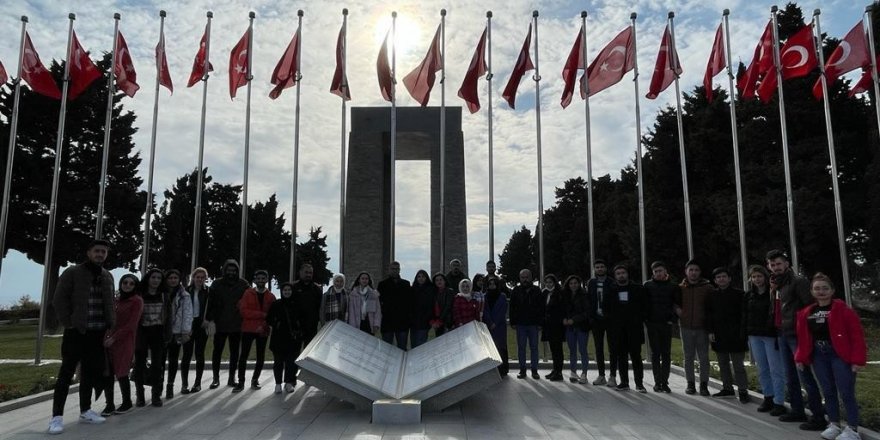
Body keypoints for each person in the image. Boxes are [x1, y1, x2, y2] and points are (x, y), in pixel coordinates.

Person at [48, 239, 116, 434]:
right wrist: (69, 323)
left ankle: (85, 410)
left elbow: (110, 302)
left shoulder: (107, 276)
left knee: (89, 373)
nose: (100, 254)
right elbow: (59, 299)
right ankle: (56, 417)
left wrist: (111, 323)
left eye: (103, 252)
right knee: (66, 374)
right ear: (89, 253)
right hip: (76, 332)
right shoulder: (73, 272)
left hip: (97, 332)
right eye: (97, 251)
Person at [795, 273, 867, 440]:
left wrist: (857, 360)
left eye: (825, 288)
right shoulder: (807, 313)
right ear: (812, 291)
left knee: (846, 391)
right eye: (817, 288)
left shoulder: (844, 311)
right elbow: (803, 338)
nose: (821, 292)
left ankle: (852, 428)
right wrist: (800, 357)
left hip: (839, 355)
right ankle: (834, 423)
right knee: (827, 390)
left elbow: (857, 336)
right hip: (819, 355)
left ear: (832, 290)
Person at [767, 249, 826, 430]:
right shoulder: (777, 284)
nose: (776, 267)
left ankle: (818, 416)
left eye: (779, 264)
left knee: (805, 375)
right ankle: (797, 409)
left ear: (786, 264)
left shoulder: (798, 281)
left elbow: (809, 306)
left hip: (797, 335)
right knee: (790, 375)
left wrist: (805, 331)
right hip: (783, 333)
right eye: (772, 265)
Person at [743, 265, 786, 415]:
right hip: (755, 335)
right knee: (762, 369)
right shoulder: (749, 295)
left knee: (776, 369)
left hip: (771, 336)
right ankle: (768, 396)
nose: (757, 279)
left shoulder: (774, 293)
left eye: (759, 276)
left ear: (765, 277)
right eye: (754, 277)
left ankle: (779, 401)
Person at [706, 267, 749, 403]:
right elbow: (709, 315)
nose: (721, 279)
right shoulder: (712, 295)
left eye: (724, 276)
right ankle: (727, 388)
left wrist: (743, 331)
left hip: (736, 334)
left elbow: (744, 314)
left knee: (738, 366)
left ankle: (743, 390)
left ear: (729, 278)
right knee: (723, 364)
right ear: (715, 280)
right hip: (719, 334)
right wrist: (710, 331)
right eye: (718, 277)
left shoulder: (740, 294)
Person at [102, 274, 143, 416]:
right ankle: (109, 404)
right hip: (109, 341)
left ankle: (127, 402)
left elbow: (131, 324)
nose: (127, 285)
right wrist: (107, 336)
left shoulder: (136, 301)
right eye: (125, 282)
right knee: (108, 373)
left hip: (124, 341)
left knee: (122, 372)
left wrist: (115, 338)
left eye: (131, 283)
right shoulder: (116, 300)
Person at [605, 264, 649, 393]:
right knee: (621, 357)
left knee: (636, 357)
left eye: (623, 273)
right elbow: (606, 309)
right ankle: (624, 382)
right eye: (618, 273)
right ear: (615, 276)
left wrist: (639, 319)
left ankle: (639, 384)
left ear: (627, 274)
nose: (621, 275)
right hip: (618, 330)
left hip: (634, 329)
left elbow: (644, 306)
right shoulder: (611, 290)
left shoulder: (637, 289)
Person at [208, 259, 249, 389]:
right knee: (217, 352)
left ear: (237, 271)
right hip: (220, 323)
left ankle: (232, 378)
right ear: (224, 270)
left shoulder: (243, 284)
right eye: (229, 270)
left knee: (234, 353)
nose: (231, 273)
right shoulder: (216, 284)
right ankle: (215, 378)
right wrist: (211, 319)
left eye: (234, 270)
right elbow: (211, 304)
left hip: (237, 324)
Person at [132, 268, 169, 407]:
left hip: (158, 331)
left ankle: (156, 395)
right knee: (140, 365)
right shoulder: (139, 294)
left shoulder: (164, 295)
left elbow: (168, 316)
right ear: (148, 278)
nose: (156, 280)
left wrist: (168, 333)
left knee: (157, 365)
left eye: (159, 278)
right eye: (153, 277)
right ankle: (140, 395)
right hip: (142, 332)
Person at [234, 270, 276, 393]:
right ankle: (240, 382)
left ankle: (255, 380)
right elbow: (244, 311)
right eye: (259, 278)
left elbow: (271, 315)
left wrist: (263, 321)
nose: (261, 281)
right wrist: (262, 314)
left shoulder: (271, 297)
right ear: (255, 280)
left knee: (260, 356)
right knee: (243, 356)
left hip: (263, 330)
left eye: (263, 278)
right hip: (248, 329)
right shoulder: (248, 293)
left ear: (267, 280)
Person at [675, 260, 712, 396]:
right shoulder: (681, 287)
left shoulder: (707, 287)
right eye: (691, 270)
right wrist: (678, 310)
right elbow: (674, 302)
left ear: (700, 272)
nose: (693, 272)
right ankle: (690, 383)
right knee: (688, 356)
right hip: (686, 327)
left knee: (703, 357)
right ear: (686, 271)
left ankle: (704, 384)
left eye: (696, 270)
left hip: (702, 327)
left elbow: (711, 307)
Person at [644, 261, 676, 393]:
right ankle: (657, 382)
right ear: (653, 273)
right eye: (656, 271)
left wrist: (672, 320)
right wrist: (647, 320)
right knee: (655, 353)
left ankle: (665, 381)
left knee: (666, 353)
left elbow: (676, 304)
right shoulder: (648, 285)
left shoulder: (672, 286)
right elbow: (644, 304)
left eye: (660, 271)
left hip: (666, 324)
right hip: (652, 324)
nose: (658, 273)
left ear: (665, 271)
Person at [510, 269, 544, 380]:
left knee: (534, 348)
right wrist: (513, 322)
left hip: (534, 324)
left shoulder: (537, 290)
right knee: (521, 348)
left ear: (531, 277)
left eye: (527, 277)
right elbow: (512, 307)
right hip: (520, 324)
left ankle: (534, 370)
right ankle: (522, 370)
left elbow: (541, 308)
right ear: (520, 278)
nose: (525, 279)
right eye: (523, 277)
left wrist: (540, 323)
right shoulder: (516, 290)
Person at [163, 269, 193, 400]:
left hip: (176, 332)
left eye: (175, 278)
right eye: (170, 278)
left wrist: (186, 331)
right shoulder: (161, 293)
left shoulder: (184, 295)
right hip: (162, 332)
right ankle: (158, 385)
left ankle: (170, 385)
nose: (173, 280)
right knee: (160, 361)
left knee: (173, 360)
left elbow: (187, 314)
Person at [267, 282, 301, 393]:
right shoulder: (276, 304)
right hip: (278, 338)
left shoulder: (296, 304)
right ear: (282, 292)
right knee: (278, 362)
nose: (287, 292)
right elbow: (269, 319)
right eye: (285, 290)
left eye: (289, 290)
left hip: (292, 339)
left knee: (291, 362)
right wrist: (277, 323)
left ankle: (288, 382)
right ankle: (278, 384)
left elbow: (300, 320)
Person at [181, 267, 210, 394]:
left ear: (205, 279)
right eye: (197, 277)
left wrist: (208, 319)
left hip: (202, 325)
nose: (199, 279)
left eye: (202, 277)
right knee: (186, 355)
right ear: (193, 277)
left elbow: (213, 307)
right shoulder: (186, 291)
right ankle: (184, 384)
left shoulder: (208, 291)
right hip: (188, 325)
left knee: (199, 354)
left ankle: (197, 383)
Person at [587, 259, 615, 386]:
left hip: (609, 320)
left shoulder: (612, 283)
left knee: (612, 348)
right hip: (596, 320)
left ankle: (613, 376)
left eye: (602, 267)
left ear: (606, 268)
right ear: (594, 269)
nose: (599, 269)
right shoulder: (591, 283)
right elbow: (589, 301)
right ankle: (601, 375)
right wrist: (591, 318)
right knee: (598, 348)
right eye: (597, 267)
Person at [378, 261, 412, 349]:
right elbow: (379, 302)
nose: (395, 271)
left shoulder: (406, 284)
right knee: (387, 348)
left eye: (397, 269)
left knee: (402, 348)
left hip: (402, 321)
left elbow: (409, 302)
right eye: (392, 269)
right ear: (389, 270)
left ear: (399, 270)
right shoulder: (382, 285)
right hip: (387, 320)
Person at [563, 275, 590, 384]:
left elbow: (587, 312)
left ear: (579, 284)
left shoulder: (584, 295)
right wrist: (564, 318)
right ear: (568, 285)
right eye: (571, 283)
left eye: (575, 283)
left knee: (583, 350)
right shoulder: (565, 296)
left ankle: (584, 374)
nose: (573, 285)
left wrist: (574, 320)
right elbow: (563, 310)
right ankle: (573, 372)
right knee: (572, 351)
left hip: (582, 327)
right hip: (570, 328)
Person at [542, 274, 567, 382]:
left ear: (555, 283)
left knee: (558, 350)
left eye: (550, 282)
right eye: (546, 282)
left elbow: (562, 309)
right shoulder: (545, 293)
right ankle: (555, 370)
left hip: (557, 326)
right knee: (553, 349)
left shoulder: (559, 294)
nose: (548, 284)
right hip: (548, 326)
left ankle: (559, 372)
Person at [291, 263, 323, 348]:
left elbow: (320, 307)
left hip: (311, 326)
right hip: (296, 326)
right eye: (306, 272)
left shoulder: (317, 289)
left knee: (308, 353)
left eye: (310, 273)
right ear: (300, 272)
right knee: (294, 352)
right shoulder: (293, 287)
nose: (308, 275)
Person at [482, 276, 509, 376]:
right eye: (490, 284)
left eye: (494, 284)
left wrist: (495, 323)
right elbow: (484, 311)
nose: (492, 286)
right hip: (489, 327)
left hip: (500, 327)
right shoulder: (484, 296)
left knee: (501, 348)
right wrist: (490, 322)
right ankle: (492, 370)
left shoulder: (502, 296)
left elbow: (503, 311)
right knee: (490, 348)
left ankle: (503, 370)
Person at [409, 270, 435, 348]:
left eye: (423, 276)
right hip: (413, 322)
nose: (421, 278)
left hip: (424, 322)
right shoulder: (412, 289)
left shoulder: (431, 290)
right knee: (413, 344)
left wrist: (428, 318)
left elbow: (431, 305)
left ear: (426, 278)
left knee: (420, 345)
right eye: (419, 276)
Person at [430, 273, 455, 337]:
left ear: (444, 281)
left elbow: (448, 306)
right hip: (437, 322)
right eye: (437, 280)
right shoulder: (434, 292)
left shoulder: (449, 291)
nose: (439, 282)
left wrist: (440, 321)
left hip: (446, 322)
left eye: (441, 280)